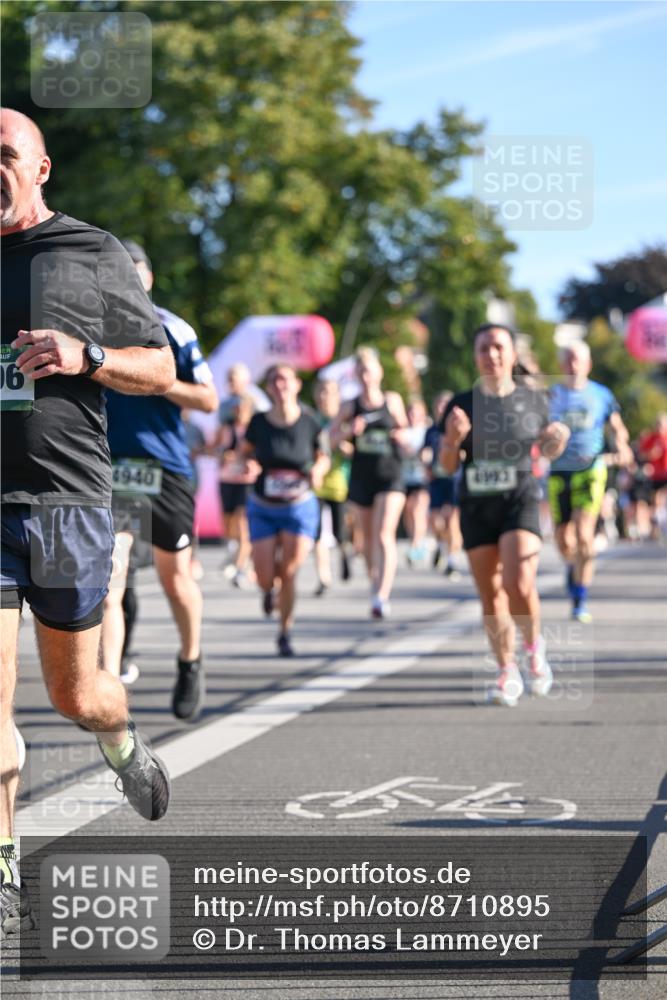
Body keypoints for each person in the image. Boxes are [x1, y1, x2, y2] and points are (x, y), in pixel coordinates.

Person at [1, 109, 175, 936]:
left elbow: (160, 367)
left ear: (40, 168)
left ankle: (120, 740)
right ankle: (3, 865)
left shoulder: (88, 251)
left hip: (67, 504)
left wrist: (88, 356)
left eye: (4, 154)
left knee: (80, 696)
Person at [102, 241, 218, 721]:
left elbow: (208, 400)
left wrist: (157, 379)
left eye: (135, 270)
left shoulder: (173, 328)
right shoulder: (94, 331)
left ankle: (190, 660)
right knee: (108, 581)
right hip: (112, 468)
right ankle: (109, 690)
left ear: (148, 278)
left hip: (164, 470)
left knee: (176, 580)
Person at [440, 324, 570, 707]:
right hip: (477, 505)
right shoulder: (460, 404)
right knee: (490, 593)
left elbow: (548, 450)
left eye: (499, 347)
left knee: (519, 582)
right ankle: (506, 670)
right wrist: (452, 440)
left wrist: (557, 440)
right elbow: (447, 465)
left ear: (512, 354)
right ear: (475, 356)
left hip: (519, 499)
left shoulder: (534, 400)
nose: (491, 355)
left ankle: (533, 649)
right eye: (484, 348)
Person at [242, 364, 329, 656]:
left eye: (285, 379)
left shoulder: (310, 422)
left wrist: (318, 470)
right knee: (265, 576)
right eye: (274, 380)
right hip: (264, 506)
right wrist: (248, 464)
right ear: (268, 388)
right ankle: (269, 591)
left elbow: (323, 456)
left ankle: (285, 632)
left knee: (290, 572)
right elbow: (244, 452)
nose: (280, 385)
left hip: (298, 506)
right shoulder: (258, 422)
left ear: (297, 385)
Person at [548, 341, 631, 623]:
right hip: (559, 472)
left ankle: (580, 599)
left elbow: (617, 427)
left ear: (588, 364)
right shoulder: (551, 395)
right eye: (569, 359)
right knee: (563, 540)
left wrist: (621, 444)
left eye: (578, 359)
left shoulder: (601, 394)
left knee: (584, 534)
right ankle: (573, 566)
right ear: (561, 364)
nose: (573, 365)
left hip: (590, 469)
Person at [330, 347, 408, 619]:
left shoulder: (392, 400)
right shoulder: (349, 406)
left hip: (390, 474)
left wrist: (400, 434)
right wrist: (348, 432)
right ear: (356, 376)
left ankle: (382, 595)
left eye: (369, 372)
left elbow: (405, 430)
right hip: (362, 476)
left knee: (384, 532)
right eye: (361, 372)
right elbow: (329, 439)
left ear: (379, 373)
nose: (366, 377)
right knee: (367, 539)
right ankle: (375, 585)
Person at [312, 378, 352, 596]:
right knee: (316, 533)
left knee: (339, 532)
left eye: (329, 392)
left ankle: (345, 552)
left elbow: (353, 449)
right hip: (316, 484)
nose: (324, 397)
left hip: (338, 484)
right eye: (321, 392)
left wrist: (344, 443)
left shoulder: (344, 420)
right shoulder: (311, 420)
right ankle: (323, 577)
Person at [216, 388, 256, 587]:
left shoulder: (255, 429)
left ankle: (240, 568)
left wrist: (252, 461)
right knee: (229, 525)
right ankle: (237, 554)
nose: (238, 411)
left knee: (242, 524)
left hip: (246, 482)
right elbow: (214, 448)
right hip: (227, 479)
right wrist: (223, 455)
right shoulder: (227, 428)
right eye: (236, 408)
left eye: (242, 407)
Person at [425, 392, 463, 579]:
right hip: (436, 480)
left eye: (445, 404)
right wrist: (425, 463)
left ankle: (452, 561)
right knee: (435, 521)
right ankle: (440, 544)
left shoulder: (458, 427)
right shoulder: (431, 431)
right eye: (439, 404)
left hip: (454, 480)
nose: (442, 408)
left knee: (452, 521)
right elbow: (424, 451)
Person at [400, 399, 432, 566]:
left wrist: (412, 450)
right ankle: (415, 539)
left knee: (417, 511)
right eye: (410, 412)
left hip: (422, 477)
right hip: (405, 478)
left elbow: (427, 454)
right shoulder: (402, 431)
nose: (413, 416)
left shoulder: (426, 432)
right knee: (408, 511)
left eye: (416, 412)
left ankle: (416, 545)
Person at [638, 413, 667, 540]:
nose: (660, 427)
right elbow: (641, 454)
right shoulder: (651, 438)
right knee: (656, 501)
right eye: (658, 424)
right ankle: (656, 529)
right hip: (656, 475)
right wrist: (651, 454)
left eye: (662, 424)